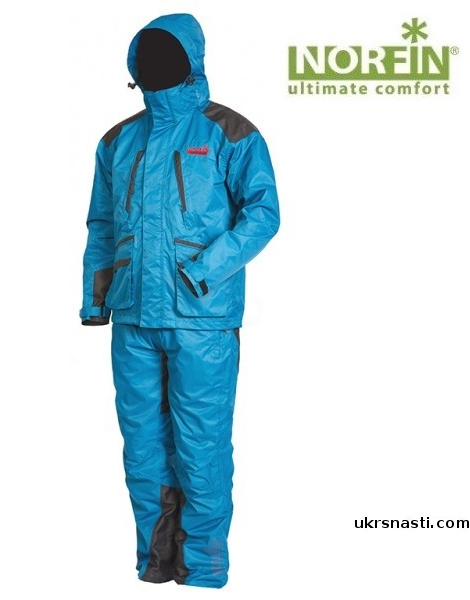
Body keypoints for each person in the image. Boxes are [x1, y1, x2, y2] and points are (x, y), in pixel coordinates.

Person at [80, 13, 280, 588]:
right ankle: (156, 562)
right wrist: (95, 299)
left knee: (201, 446)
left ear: (192, 61)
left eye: (166, 53)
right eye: (145, 55)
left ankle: (204, 569)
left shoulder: (229, 132)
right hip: (133, 317)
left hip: (202, 319)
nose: (154, 63)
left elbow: (263, 213)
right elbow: (101, 225)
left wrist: (204, 270)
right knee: (143, 449)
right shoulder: (117, 140)